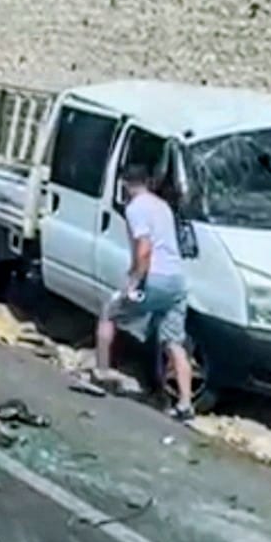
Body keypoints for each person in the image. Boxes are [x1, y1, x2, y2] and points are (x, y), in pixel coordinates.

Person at [95, 163, 194, 421]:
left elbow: (145, 248)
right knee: (174, 342)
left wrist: (134, 281)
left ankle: (101, 372)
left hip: (153, 279)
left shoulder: (135, 208)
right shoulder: (162, 206)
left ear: (125, 184)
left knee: (109, 312)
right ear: (148, 182)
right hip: (176, 281)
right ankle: (185, 404)